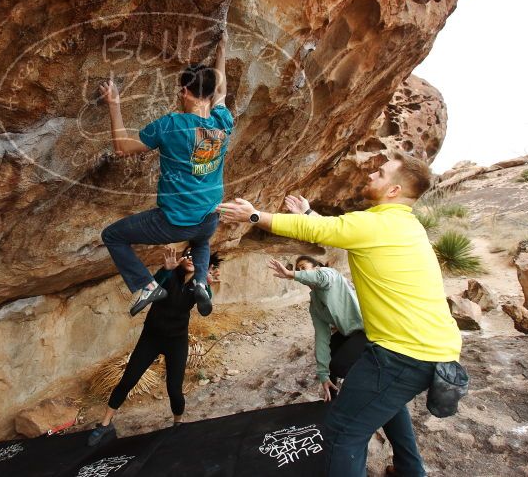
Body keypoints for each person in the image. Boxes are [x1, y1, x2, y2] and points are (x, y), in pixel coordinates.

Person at [218, 152, 462, 477]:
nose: (372, 174)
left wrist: (253, 216)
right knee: (386, 405)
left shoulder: (376, 223)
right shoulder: (405, 225)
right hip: (432, 350)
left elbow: (318, 230)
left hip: (402, 354)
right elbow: (337, 229)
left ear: (393, 191)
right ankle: (410, 470)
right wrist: (308, 211)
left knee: (342, 431)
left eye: (381, 173)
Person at [99, 30, 233, 317]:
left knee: (112, 235)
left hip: (175, 221)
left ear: (184, 91)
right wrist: (221, 51)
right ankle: (199, 280)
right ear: (209, 95)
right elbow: (221, 90)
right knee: (200, 239)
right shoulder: (223, 120)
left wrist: (114, 104)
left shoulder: (171, 125)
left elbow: (122, 147)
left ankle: (146, 285)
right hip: (209, 217)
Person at [88, 247, 217, 446]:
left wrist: (205, 286)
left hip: (177, 341)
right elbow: (151, 287)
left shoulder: (198, 284)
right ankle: (104, 425)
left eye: (196, 257)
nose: (191, 259)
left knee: (174, 389)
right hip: (151, 337)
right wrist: (165, 270)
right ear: (181, 257)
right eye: (188, 254)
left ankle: (177, 425)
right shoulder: (169, 274)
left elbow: (205, 309)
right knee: (128, 379)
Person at [268, 255, 366, 402]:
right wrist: (323, 375)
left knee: (339, 366)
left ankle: (366, 391)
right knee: (328, 363)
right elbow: (321, 337)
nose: (300, 271)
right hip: (347, 333)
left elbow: (320, 277)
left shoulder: (329, 275)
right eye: (298, 269)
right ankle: (331, 400)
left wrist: (291, 274)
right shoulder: (315, 305)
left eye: (303, 268)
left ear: (316, 268)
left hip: (366, 331)